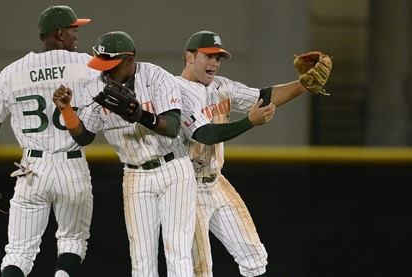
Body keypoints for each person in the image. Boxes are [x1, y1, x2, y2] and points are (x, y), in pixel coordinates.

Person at [0, 5, 99, 277]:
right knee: (72, 241)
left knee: (19, 252)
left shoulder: (13, 72)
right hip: (72, 165)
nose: (76, 34)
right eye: (73, 29)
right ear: (59, 33)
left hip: (32, 168)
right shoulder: (87, 65)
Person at [176, 30, 330, 277]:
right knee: (199, 270)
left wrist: (302, 85)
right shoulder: (177, 90)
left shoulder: (221, 85)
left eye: (218, 58)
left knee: (254, 258)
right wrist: (249, 122)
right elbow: (204, 134)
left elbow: (264, 97)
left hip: (215, 182)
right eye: (208, 56)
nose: (215, 63)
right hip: (185, 188)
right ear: (189, 57)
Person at [53, 31, 197, 276]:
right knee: (141, 258)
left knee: (178, 253)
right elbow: (84, 137)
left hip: (174, 169)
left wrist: (141, 116)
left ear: (129, 61)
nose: (104, 71)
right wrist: (67, 111)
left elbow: (172, 128)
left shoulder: (157, 77)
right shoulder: (95, 87)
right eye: (101, 65)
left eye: (111, 65)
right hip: (135, 175)